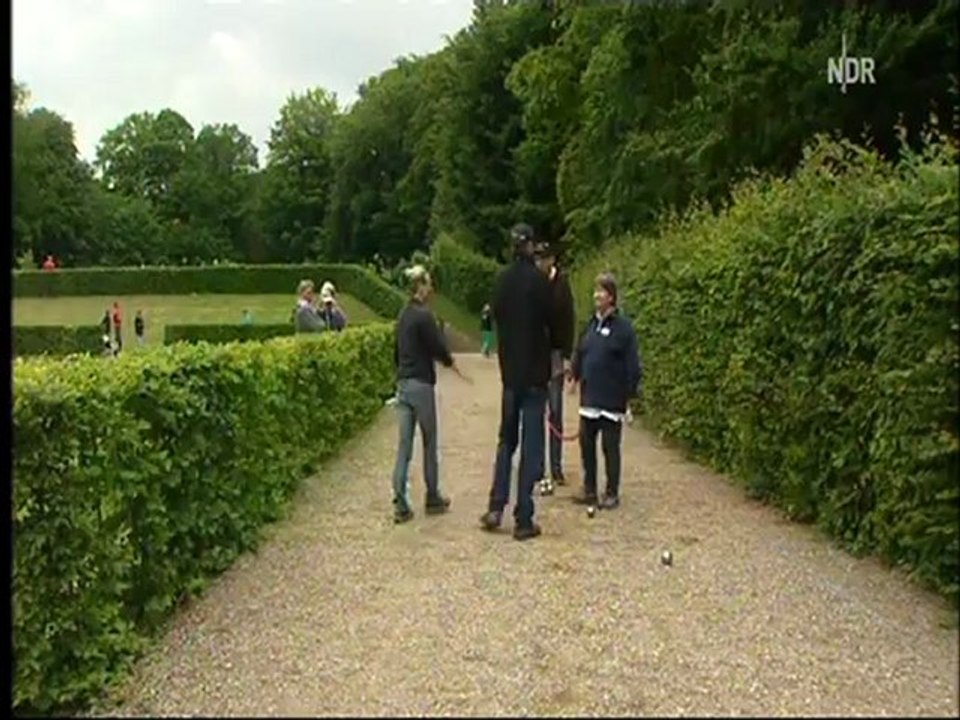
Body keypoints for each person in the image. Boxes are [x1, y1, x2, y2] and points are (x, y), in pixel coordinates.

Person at [480, 223, 563, 541]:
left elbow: (498, 319)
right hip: (534, 377)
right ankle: (524, 517)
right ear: (530, 247)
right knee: (531, 446)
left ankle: (495, 506)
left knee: (506, 441)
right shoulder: (540, 283)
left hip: (510, 374)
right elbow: (554, 323)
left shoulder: (501, 281)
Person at [569, 273, 642, 510]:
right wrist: (574, 373)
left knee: (610, 448)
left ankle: (612, 492)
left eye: (601, 292)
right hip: (589, 397)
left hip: (611, 400)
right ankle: (589, 488)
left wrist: (629, 395)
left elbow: (633, 365)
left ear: (611, 297)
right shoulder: (590, 325)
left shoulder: (624, 329)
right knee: (586, 445)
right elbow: (580, 351)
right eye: (595, 291)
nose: (596, 296)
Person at [390, 264, 457, 523]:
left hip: (404, 382)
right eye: (428, 284)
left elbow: (397, 351)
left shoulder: (403, 315)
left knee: (404, 445)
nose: (431, 289)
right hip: (421, 383)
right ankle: (432, 496)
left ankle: (400, 501)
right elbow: (437, 347)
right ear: (420, 287)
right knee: (429, 440)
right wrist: (449, 361)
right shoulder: (424, 316)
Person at [534, 240, 575, 493]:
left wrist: (569, 356)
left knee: (556, 410)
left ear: (551, 261)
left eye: (543, 258)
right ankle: (539, 467)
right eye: (537, 258)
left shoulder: (562, 284)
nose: (539, 262)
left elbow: (568, 320)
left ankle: (556, 465)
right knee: (537, 411)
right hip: (537, 354)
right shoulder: (535, 283)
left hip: (556, 353)